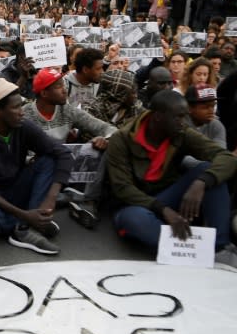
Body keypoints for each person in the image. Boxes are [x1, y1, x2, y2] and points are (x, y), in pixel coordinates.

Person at [107, 90, 237, 267]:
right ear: (159, 117)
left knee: (207, 171)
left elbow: (226, 158)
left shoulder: (181, 132)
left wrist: (201, 183)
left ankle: (220, 247)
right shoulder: (121, 139)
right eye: (179, 117)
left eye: (185, 117)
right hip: (139, 204)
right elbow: (123, 189)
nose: (183, 123)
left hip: (169, 195)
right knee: (133, 220)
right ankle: (195, 247)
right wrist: (163, 210)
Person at [0, 79, 73, 255]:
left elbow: (62, 154)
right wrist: (26, 216)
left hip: (17, 188)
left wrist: (51, 198)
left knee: (48, 160)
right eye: (16, 108)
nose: (22, 112)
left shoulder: (23, 126)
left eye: (21, 106)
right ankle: (25, 226)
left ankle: (33, 219)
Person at [23, 68, 118, 228]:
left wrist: (104, 139)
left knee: (102, 148)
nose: (65, 89)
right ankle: (64, 201)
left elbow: (109, 129)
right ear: (44, 94)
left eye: (64, 84)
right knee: (47, 159)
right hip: (38, 170)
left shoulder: (67, 110)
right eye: (59, 86)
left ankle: (84, 199)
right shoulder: (25, 115)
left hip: (65, 168)